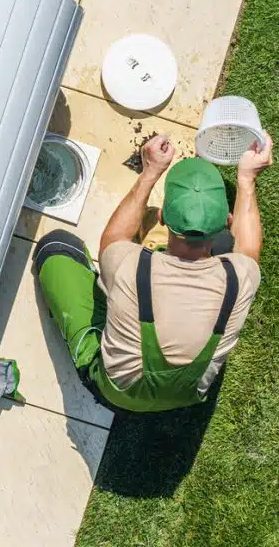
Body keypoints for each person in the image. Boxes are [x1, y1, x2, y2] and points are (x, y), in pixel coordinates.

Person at [33, 132, 272, 412]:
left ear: (162, 218)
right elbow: (249, 246)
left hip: (117, 392)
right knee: (223, 246)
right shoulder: (240, 278)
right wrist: (246, 179)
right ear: (228, 220)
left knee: (56, 246)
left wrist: (150, 173)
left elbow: (114, 238)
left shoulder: (129, 265)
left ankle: (90, 362)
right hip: (188, 394)